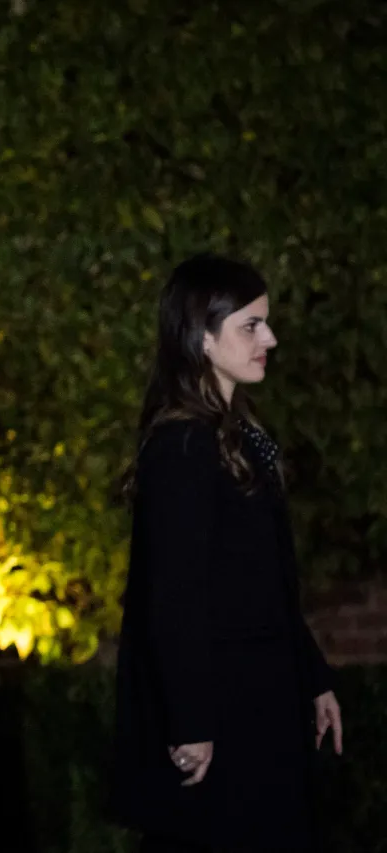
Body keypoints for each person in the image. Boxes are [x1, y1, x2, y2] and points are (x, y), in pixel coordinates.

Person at [112, 254, 345, 852]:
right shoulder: (182, 444)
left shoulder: (234, 432)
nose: (270, 337)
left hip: (261, 697)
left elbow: (266, 578)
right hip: (225, 708)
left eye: (265, 322)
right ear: (202, 338)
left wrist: (312, 676)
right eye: (251, 325)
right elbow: (174, 596)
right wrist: (191, 723)